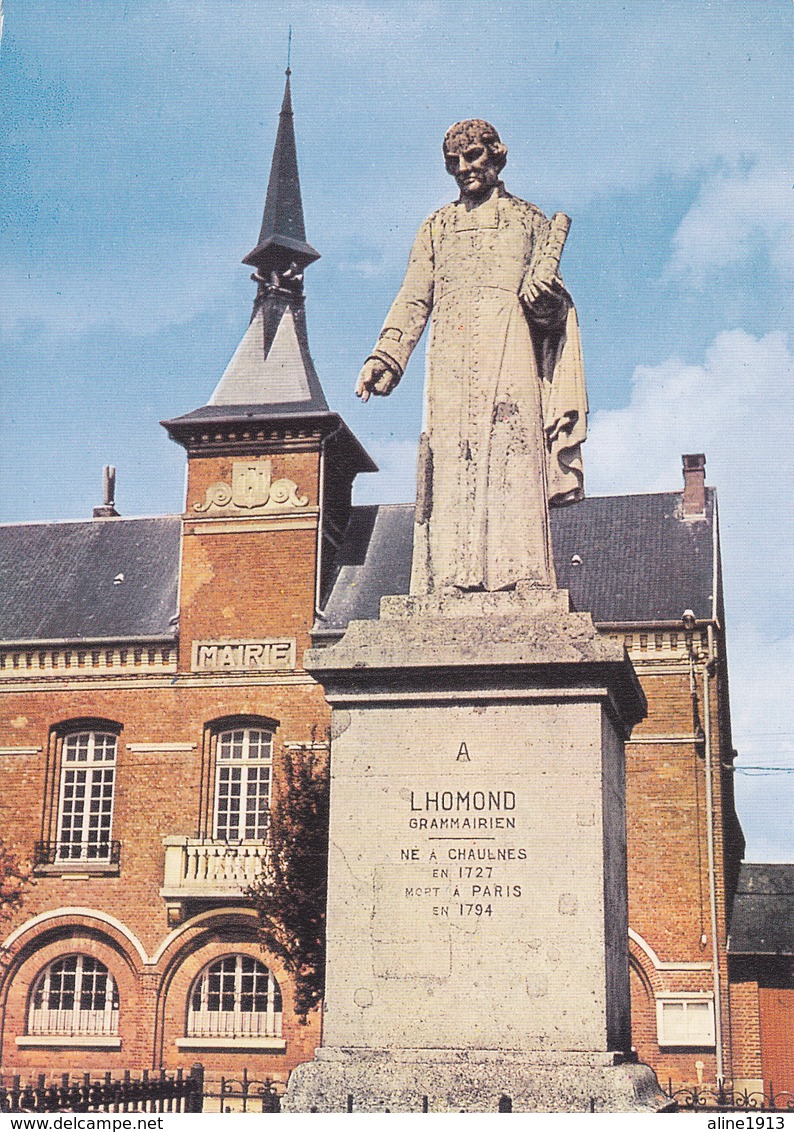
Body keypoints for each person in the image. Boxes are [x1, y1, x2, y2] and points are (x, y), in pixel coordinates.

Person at [356, 119, 587, 595]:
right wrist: (387, 355)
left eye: (473, 157)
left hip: (512, 350)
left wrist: (547, 303)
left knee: (514, 452)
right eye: (453, 162)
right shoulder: (437, 227)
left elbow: (551, 312)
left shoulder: (530, 221)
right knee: (452, 459)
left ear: (497, 155)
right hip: (452, 360)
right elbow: (414, 297)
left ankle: (522, 575)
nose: (463, 169)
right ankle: (451, 577)